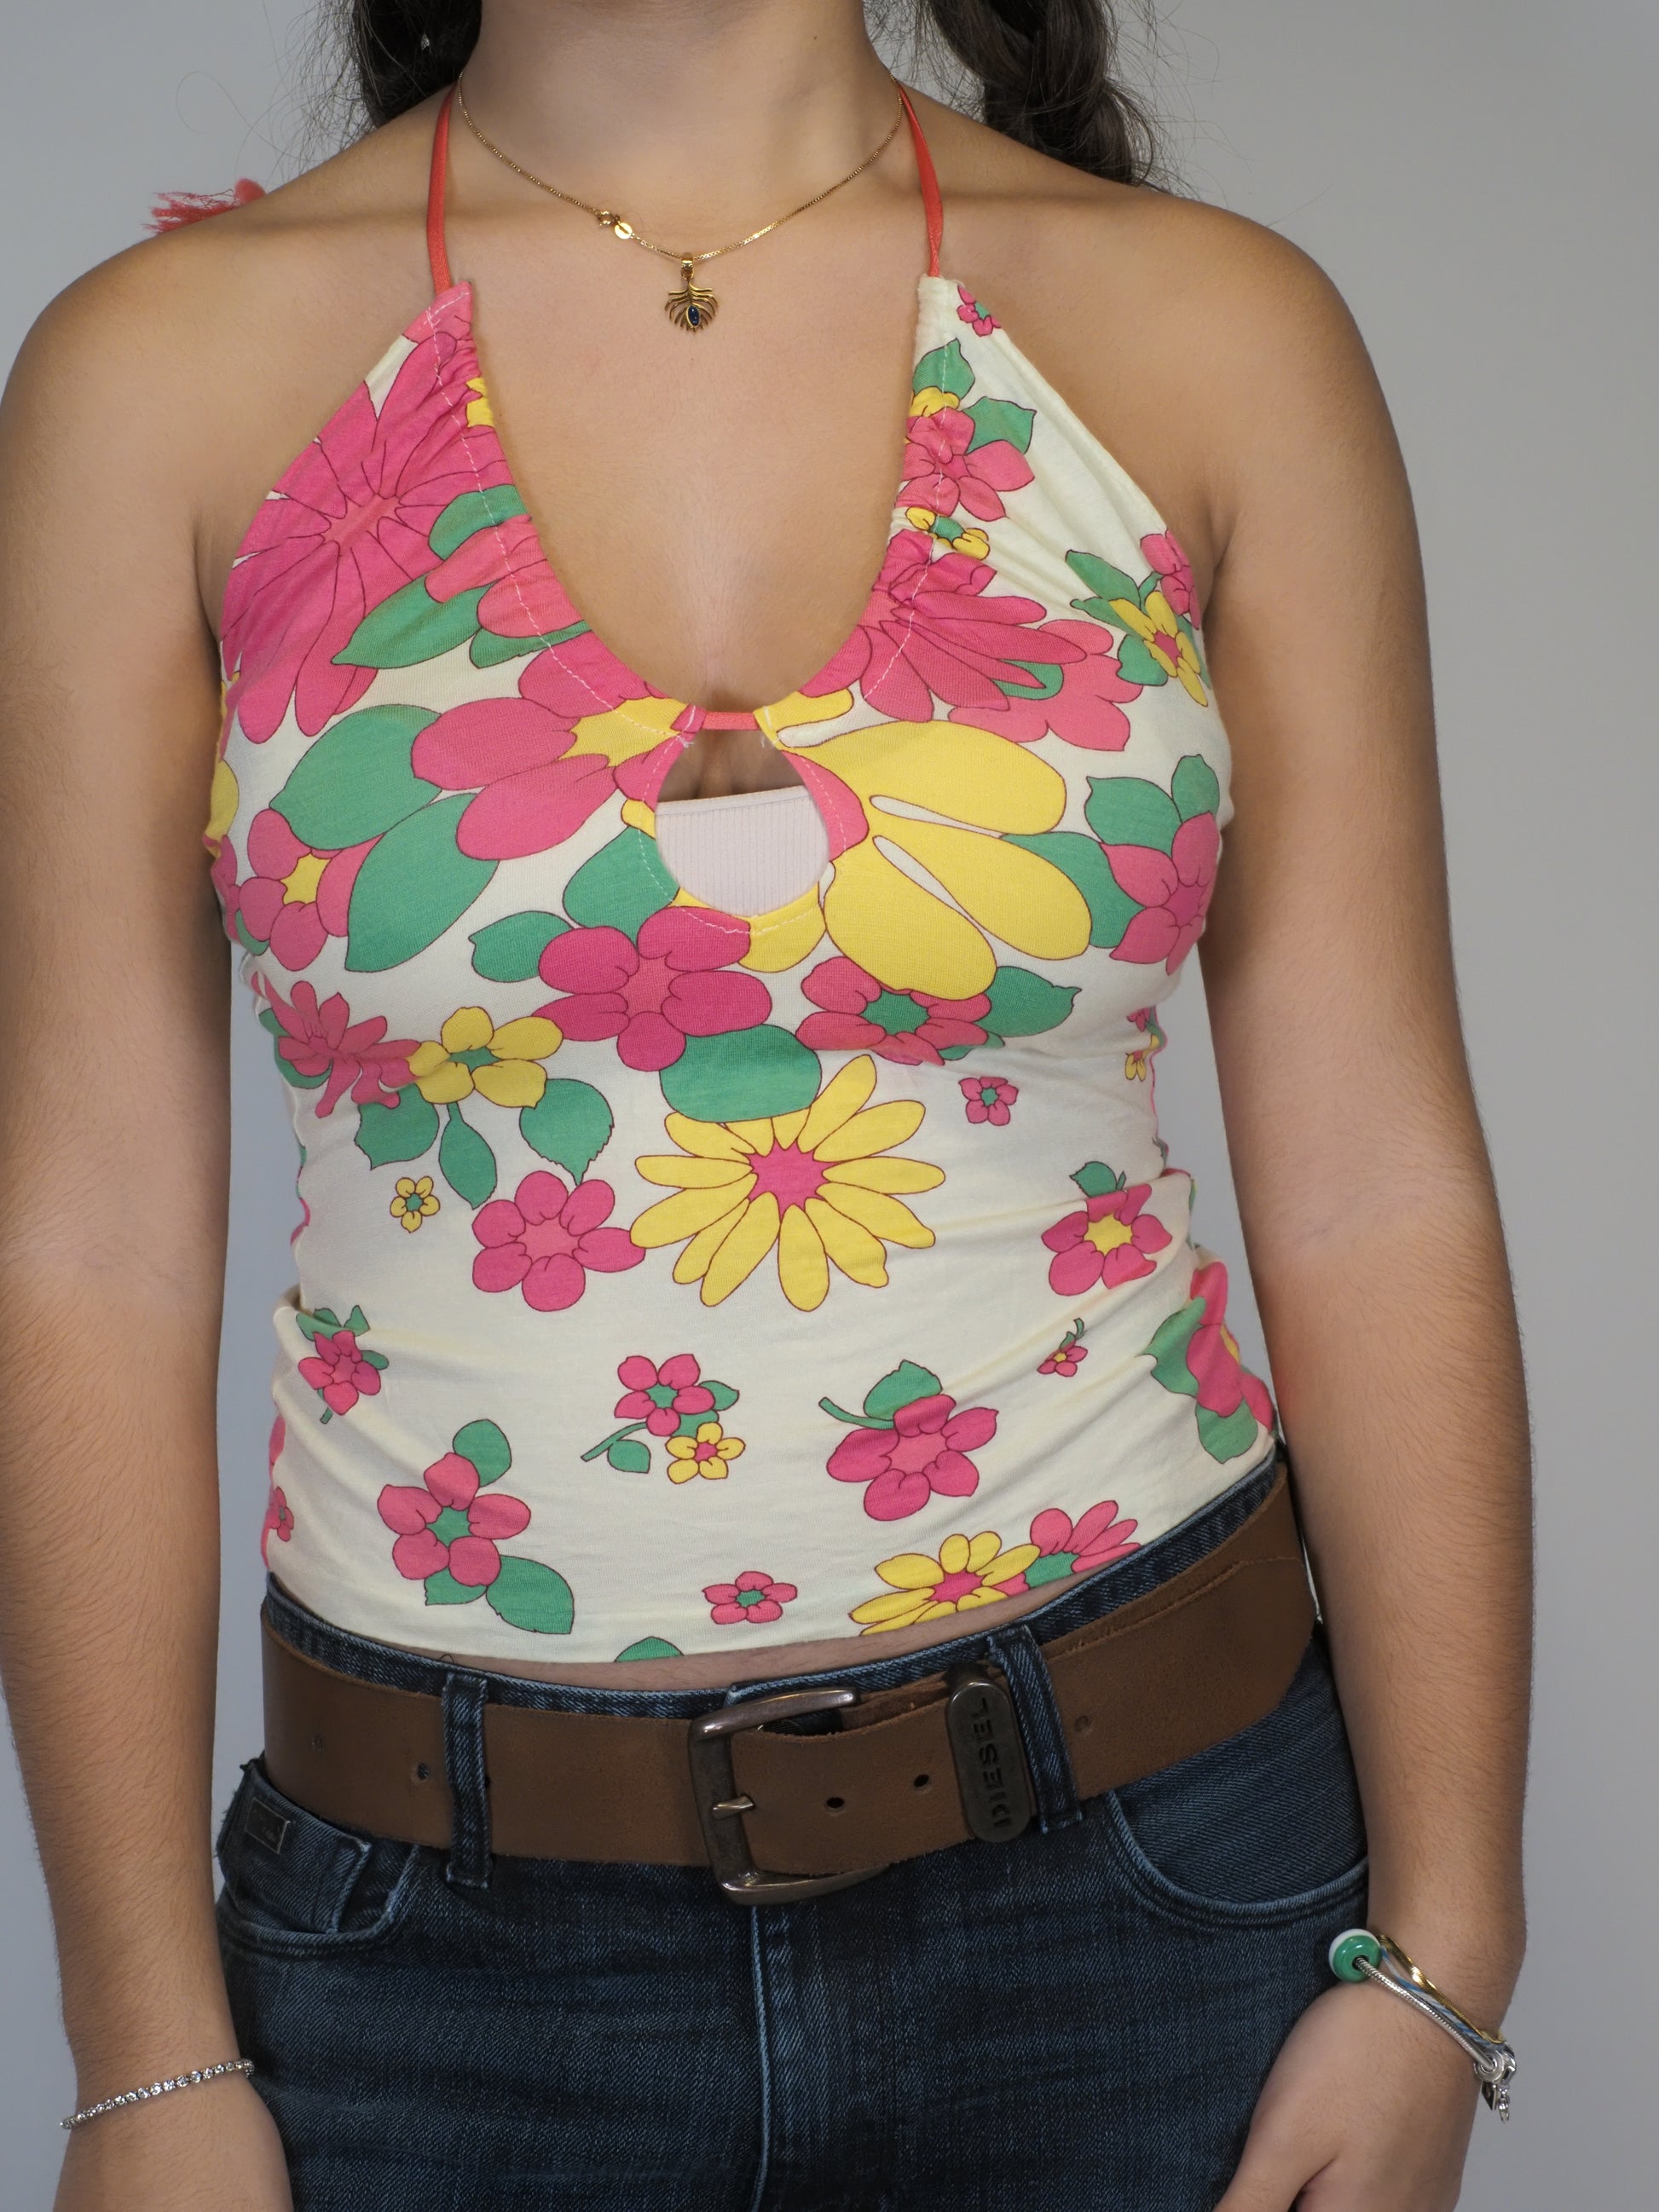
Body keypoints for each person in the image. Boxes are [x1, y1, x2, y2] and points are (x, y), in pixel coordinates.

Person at [0, 3, 1531, 2208]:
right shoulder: (159, 372)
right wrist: (141, 2051)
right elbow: (90, 1248)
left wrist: (1448, 1948)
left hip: (1165, 1888)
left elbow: (1378, 1176)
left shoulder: (1211, 334)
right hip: (437, 1957)